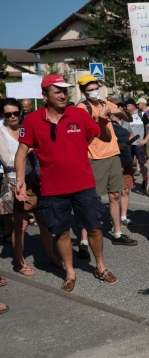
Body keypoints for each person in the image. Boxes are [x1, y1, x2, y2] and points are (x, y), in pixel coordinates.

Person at [15, 74, 117, 292]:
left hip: (83, 184)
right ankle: (70, 272)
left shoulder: (78, 114)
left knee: (94, 227)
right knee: (61, 231)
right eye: (57, 91)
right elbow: (21, 152)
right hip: (53, 188)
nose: (63, 95)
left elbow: (105, 138)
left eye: (65, 91)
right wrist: (20, 180)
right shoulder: (32, 120)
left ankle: (100, 266)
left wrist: (103, 122)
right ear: (45, 95)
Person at [76, 75, 137, 256]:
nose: (94, 91)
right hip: (94, 157)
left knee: (115, 195)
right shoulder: (82, 108)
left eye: (96, 88)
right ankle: (84, 241)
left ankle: (117, 233)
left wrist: (119, 112)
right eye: (90, 89)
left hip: (113, 155)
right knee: (89, 200)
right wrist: (99, 119)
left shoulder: (104, 103)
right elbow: (85, 131)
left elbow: (129, 118)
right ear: (83, 91)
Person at [0, 98, 62, 275]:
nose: (13, 117)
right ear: (2, 115)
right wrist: (28, 149)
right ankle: (19, 263)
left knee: (44, 221)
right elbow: (9, 162)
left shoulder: (26, 129)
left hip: (36, 179)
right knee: (22, 226)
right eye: (8, 114)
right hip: (15, 181)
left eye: (16, 113)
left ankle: (51, 256)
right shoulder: (1, 134)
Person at [109, 99, 137, 228]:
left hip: (127, 158)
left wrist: (128, 144)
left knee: (126, 190)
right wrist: (116, 146)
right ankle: (114, 218)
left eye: (121, 106)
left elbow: (131, 135)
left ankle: (124, 216)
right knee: (115, 192)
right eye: (117, 106)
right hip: (114, 159)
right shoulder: (108, 122)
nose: (120, 108)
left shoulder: (126, 122)